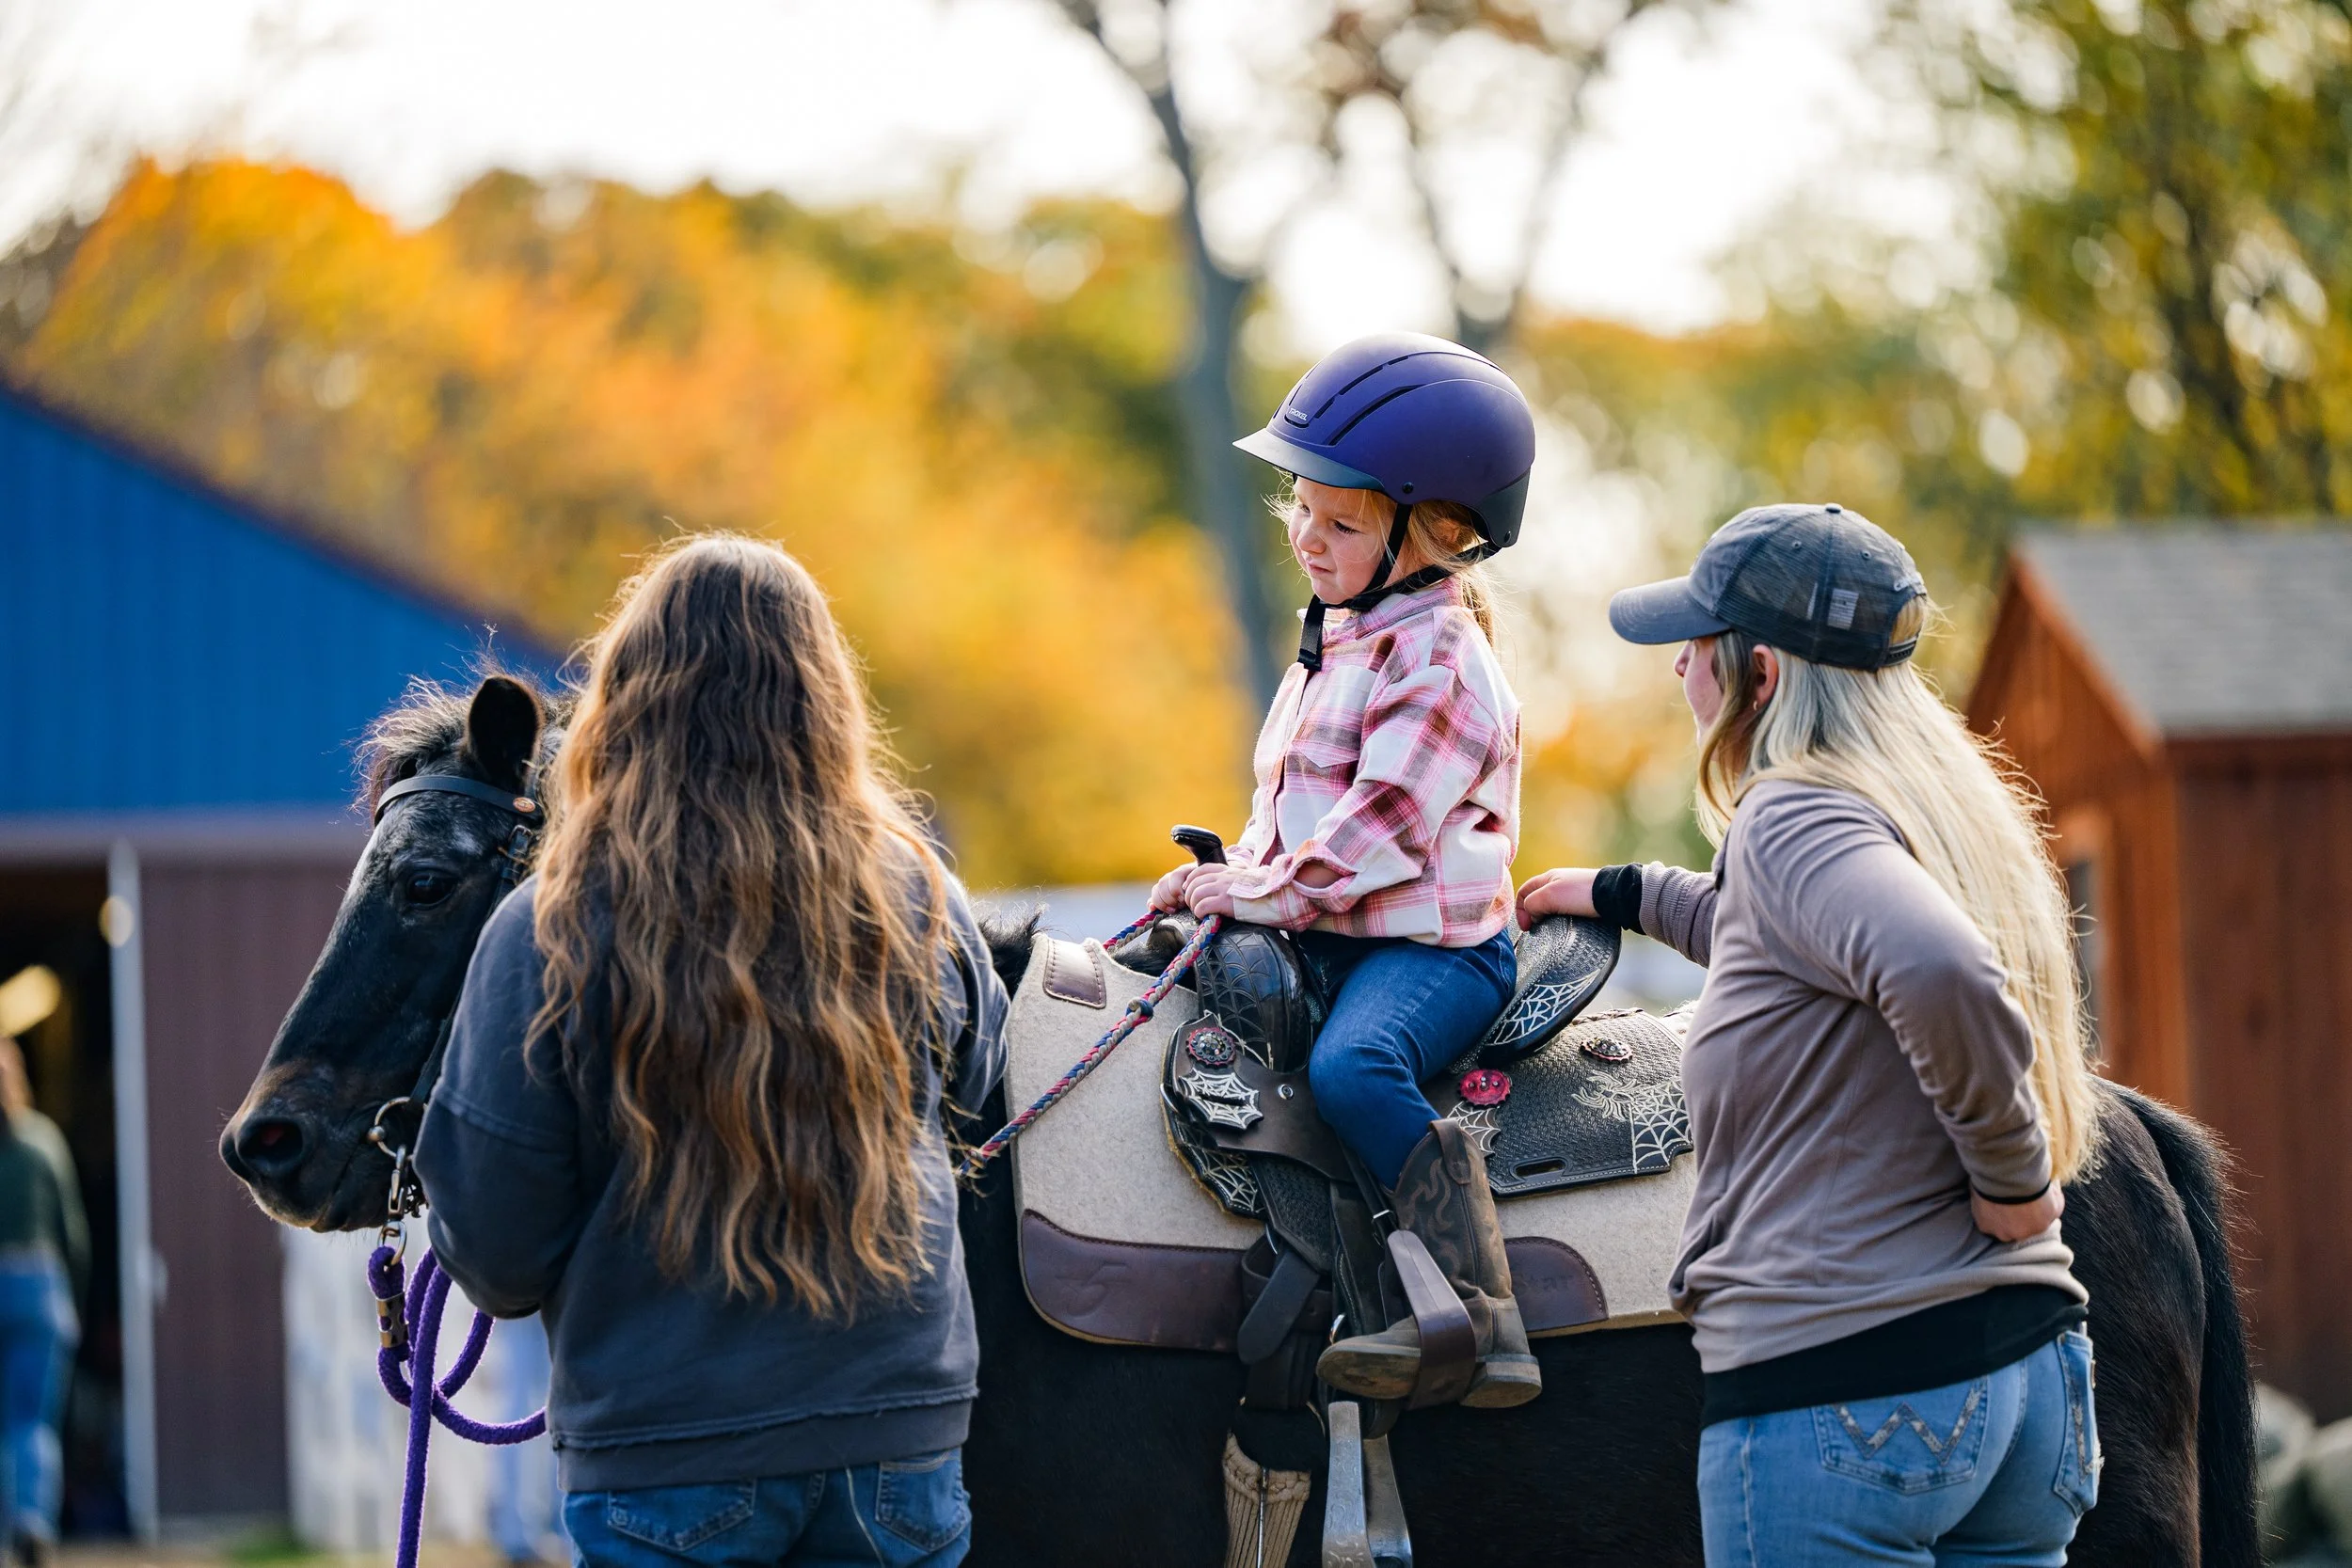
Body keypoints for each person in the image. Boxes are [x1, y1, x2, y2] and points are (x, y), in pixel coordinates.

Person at [1518, 503, 2102, 1565]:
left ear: (1765, 676)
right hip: (2025, 1375)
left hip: (1850, 1385)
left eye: (1698, 647)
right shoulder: (1926, 812)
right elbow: (1797, 942)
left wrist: (2011, 1177)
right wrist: (1628, 891)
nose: (1680, 671)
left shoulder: (1791, 815)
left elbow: (1936, 969)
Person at [416, 535, 1009, 1568]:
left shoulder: (548, 925)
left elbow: (498, 1252)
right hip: (900, 1442)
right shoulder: (920, 897)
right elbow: (979, 1094)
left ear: (627, 701)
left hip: (665, 1454)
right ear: (823, 700)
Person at [1150, 332, 1540, 1408]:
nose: (1306, 538)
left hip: (1432, 947)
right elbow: (1290, 809)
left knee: (1351, 1068)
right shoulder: (1338, 635)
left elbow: (1376, 832)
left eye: (1340, 521)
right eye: (1299, 508)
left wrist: (1258, 894)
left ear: (1439, 535)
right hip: (1328, 917)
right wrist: (1213, 882)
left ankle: (1482, 1305)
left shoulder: (1445, 663)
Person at [0, 1037, 86, 1567]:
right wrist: (75, 1290)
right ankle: (31, 1521)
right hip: (40, 1287)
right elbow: (72, 1232)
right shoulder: (42, 1142)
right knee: (31, 1420)